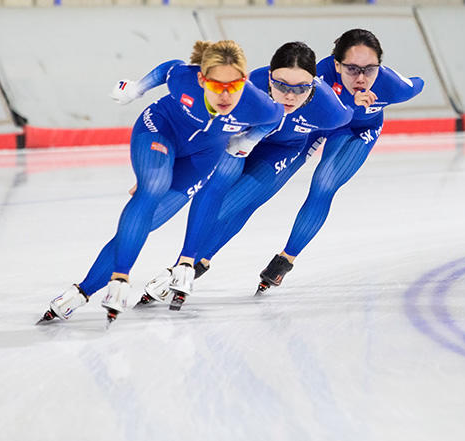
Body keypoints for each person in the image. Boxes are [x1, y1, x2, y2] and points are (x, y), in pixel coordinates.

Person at [37, 40, 283, 326]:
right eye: (217, 86)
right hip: (160, 129)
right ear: (202, 79)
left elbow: (274, 120)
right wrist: (137, 88)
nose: (226, 94)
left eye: (235, 85)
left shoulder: (261, 106)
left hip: (202, 156)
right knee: (153, 186)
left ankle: (80, 293)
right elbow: (168, 69)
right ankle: (121, 278)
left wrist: (247, 141)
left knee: (148, 222)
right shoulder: (185, 80)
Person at [136, 41, 354, 309]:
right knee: (215, 188)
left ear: (313, 85)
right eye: (282, 85)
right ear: (269, 78)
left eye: (301, 89)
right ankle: (191, 259)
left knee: (238, 202)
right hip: (240, 140)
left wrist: (312, 145)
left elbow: (346, 122)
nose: (289, 96)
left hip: (283, 149)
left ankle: (191, 265)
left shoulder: (331, 110)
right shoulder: (248, 86)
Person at [247, 29, 425, 293]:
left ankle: (286, 259)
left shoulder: (392, 85)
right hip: (320, 126)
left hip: (358, 131)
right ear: (337, 64)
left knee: (324, 183)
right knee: (267, 181)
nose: (362, 78)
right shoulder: (320, 77)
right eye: (352, 69)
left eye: (370, 69)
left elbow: (418, 83)